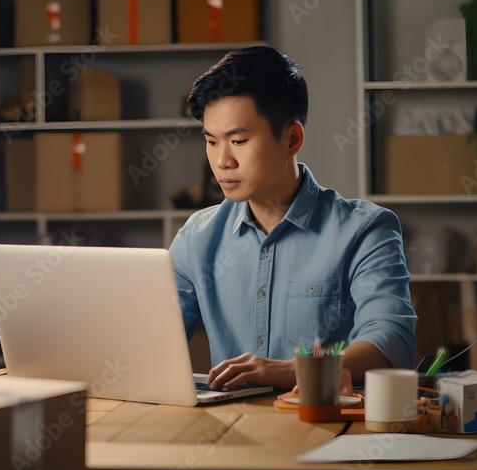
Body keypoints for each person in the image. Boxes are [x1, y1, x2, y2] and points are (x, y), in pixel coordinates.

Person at [169, 46, 417, 391]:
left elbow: (392, 340)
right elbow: (154, 342)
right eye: (211, 141)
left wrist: (294, 370)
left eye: (238, 140)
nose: (222, 160)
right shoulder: (196, 236)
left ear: (292, 138)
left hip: (326, 429)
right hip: (228, 431)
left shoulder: (365, 230)